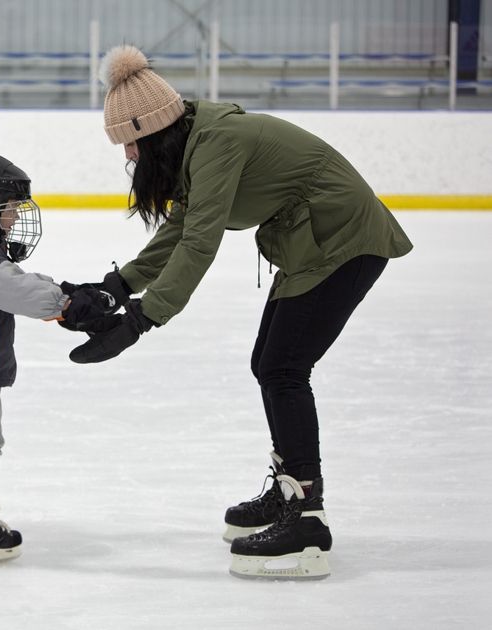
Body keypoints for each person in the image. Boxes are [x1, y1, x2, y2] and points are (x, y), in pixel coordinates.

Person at [67, 45, 413, 580]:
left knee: (283, 368)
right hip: (312, 244)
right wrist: (117, 287)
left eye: (131, 145)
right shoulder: (196, 141)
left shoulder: (217, 143)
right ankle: (288, 493)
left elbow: (200, 244)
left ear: (153, 130)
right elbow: (182, 229)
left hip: (342, 240)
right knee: (269, 364)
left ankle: (307, 519)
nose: (130, 159)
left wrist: (141, 320)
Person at [0, 151, 116, 565]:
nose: (14, 217)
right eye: (8, 208)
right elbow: (16, 291)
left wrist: (63, 289)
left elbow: (17, 281)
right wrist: (66, 303)